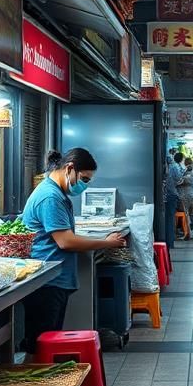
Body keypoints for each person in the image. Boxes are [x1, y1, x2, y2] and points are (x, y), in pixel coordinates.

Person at [20, 147, 127, 352]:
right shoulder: (50, 197)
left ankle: (46, 379)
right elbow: (65, 241)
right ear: (69, 168)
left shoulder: (57, 193)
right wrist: (107, 243)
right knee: (41, 344)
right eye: (84, 180)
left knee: (48, 341)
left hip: (55, 279)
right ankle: (39, 381)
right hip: (47, 283)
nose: (84, 186)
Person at [164, 150, 185, 249]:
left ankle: (168, 242)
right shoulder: (174, 167)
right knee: (170, 219)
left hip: (167, 194)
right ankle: (170, 242)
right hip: (172, 195)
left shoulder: (169, 167)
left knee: (168, 219)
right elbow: (179, 179)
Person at [178, 155, 193, 240]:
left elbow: (179, 181)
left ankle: (187, 234)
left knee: (186, 214)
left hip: (186, 196)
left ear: (185, 164)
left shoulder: (185, 173)